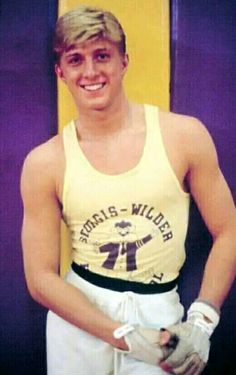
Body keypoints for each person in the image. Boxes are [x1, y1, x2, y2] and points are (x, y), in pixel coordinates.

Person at [20, 5, 236, 375]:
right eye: (75, 60)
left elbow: (230, 229)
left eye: (102, 55)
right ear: (61, 72)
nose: (90, 72)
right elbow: (40, 278)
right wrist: (126, 336)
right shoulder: (45, 162)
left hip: (161, 318)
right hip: (80, 318)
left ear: (124, 61)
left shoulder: (183, 136)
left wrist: (202, 320)